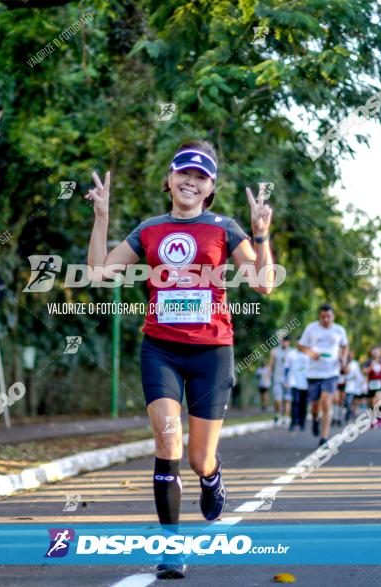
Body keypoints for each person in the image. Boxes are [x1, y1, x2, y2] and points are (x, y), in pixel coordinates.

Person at [85, 139, 275, 577]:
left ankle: (211, 476)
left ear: (210, 189)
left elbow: (263, 283)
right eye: (184, 173)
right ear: (170, 180)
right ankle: (171, 547)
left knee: (197, 459)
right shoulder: (149, 229)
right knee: (168, 441)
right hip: (161, 350)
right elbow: (98, 273)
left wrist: (260, 234)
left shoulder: (225, 228)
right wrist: (101, 218)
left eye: (201, 176)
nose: (191, 181)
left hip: (212, 353)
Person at [298, 304, 349, 446]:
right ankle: (315, 419)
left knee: (326, 403)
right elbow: (301, 345)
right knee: (315, 406)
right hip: (313, 372)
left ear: (333, 317)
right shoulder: (311, 328)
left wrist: (343, 360)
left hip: (331, 372)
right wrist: (311, 353)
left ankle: (324, 437)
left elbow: (345, 346)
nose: (326, 319)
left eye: (328, 317)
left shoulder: (339, 330)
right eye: (323, 317)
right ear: (319, 316)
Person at [285, 338, 310, 431]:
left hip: (305, 383)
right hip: (294, 382)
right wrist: (286, 381)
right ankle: (293, 422)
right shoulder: (291, 354)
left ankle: (302, 423)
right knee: (295, 402)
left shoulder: (308, 355)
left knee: (303, 403)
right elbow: (286, 368)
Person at [268, 338, 292, 427]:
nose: (284, 342)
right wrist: (268, 376)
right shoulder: (274, 351)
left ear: (288, 342)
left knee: (287, 399)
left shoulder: (292, 352)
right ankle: (277, 414)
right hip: (277, 379)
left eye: (286, 340)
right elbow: (271, 364)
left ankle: (286, 417)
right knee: (277, 399)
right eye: (283, 340)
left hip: (288, 380)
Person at [362, 345, 381, 429]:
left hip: (380, 384)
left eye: (377, 351)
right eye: (374, 351)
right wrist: (370, 367)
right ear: (371, 353)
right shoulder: (368, 362)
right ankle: (372, 420)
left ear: (380, 353)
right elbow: (364, 371)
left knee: (378, 401)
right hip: (370, 385)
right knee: (370, 404)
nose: (375, 353)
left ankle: (380, 419)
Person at [343, 350, 365, 420]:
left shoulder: (355, 364)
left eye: (351, 354)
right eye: (349, 354)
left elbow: (358, 374)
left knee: (352, 400)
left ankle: (350, 412)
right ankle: (348, 411)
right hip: (344, 384)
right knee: (346, 401)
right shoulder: (344, 363)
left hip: (353, 385)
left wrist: (361, 381)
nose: (350, 356)